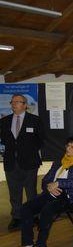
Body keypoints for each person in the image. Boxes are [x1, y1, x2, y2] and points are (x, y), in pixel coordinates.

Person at [14, 136, 73, 247]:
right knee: (26, 208)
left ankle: (40, 244)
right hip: (51, 193)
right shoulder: (59, 162)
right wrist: (49, 186)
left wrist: (58, 183)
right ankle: (28, 243)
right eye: (68, 145)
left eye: (72, 147)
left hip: (70, 197)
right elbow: (45, 180)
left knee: (47, 210)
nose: (68, 148)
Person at [0, 94, 45, 231]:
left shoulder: (35, 120)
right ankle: (17, 217)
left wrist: (28, 151)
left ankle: (34, 215)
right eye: (12, 102)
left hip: (30, 162)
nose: (14, 104)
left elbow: (40, 139)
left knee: (31, 191)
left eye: (17, 102)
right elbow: (3, 139)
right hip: (11, 162)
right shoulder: (4, 121)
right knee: (14, 192)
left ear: (25, 105)